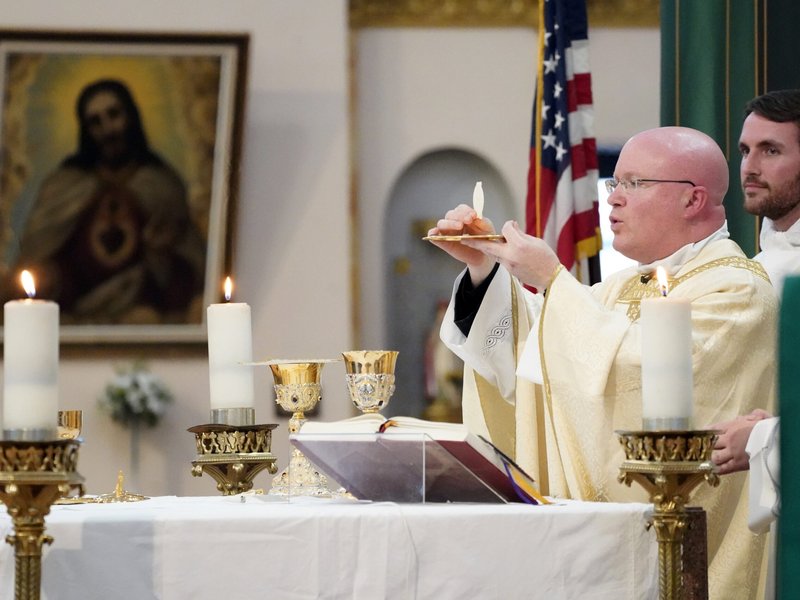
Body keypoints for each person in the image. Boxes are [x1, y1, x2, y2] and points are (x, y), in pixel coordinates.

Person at [428, 126, 777, 599]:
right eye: (615, 184)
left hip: (695, 556)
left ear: (693, 200)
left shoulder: (738, 290)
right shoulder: (622, 285)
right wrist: (483, 270)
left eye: (634, 184)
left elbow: (640, 373)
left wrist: (553, 277)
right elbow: (539, 350)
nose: (613, 200)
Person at [8, 78, 206, 325]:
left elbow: (195, 273)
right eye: (95, 122)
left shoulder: (161, 185)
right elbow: (38, 259)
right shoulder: (65, 185)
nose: (108, 129)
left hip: (146, 322)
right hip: (72, 324)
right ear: (86, 129)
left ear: (130, 117)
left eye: (114, 115)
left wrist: (160, 255)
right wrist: (51, 275)